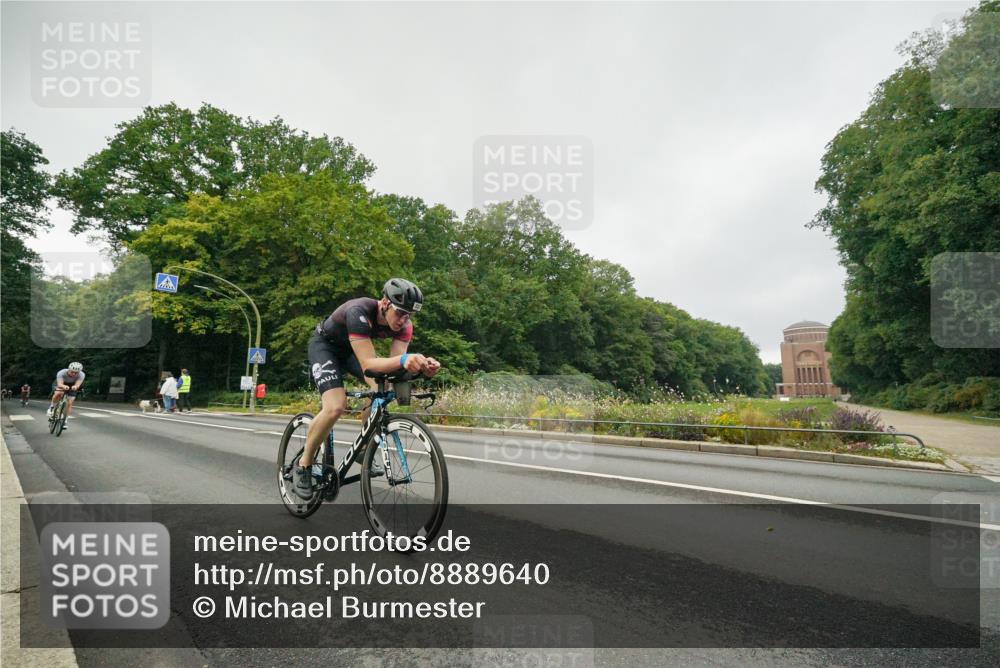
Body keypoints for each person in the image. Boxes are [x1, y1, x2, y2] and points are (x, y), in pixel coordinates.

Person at [293, 278, 441, 499]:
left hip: (352, 351)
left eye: (409, 315)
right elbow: (368, 364)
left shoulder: (405, 327)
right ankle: (303, 465)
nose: (404, 320)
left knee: (383, 389)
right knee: (336, 406)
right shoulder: (359, 311)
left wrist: (422, 368)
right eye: (401, 312)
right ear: (385, 303)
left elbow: (395, 367)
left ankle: (362, 449)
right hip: (326, 347)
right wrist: (405, 359)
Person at [46, 363, 86, 428]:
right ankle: (51, 407)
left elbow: (77, 384)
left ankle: (65, 421)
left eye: (76, 373)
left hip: (72, 384)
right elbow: (59, 384)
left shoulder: (82, 374)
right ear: (68, 369)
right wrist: (64, 386)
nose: (74, 374)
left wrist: (75, 387)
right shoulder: (61, 372)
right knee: (58, 393)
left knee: (70, 403)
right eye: (72, 372)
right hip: (61, 383)